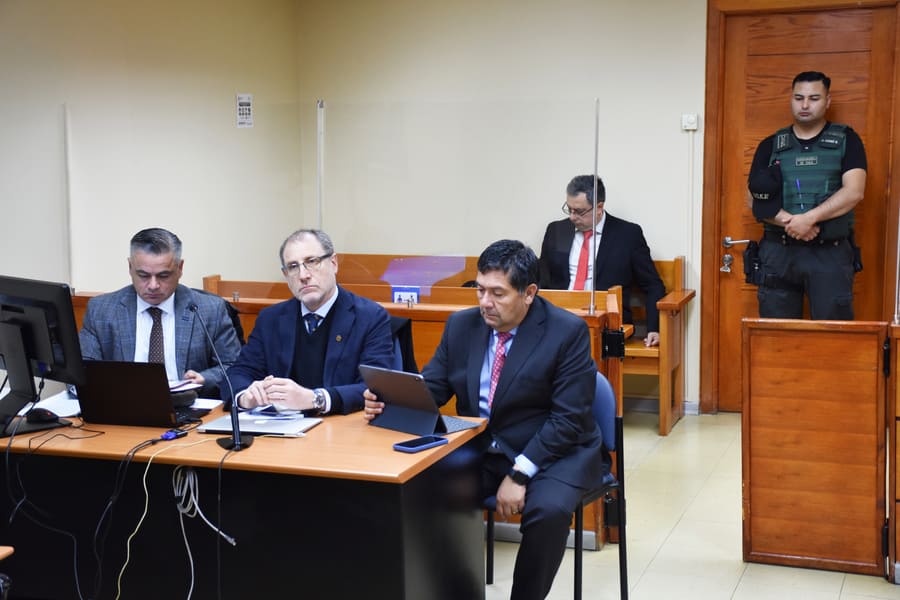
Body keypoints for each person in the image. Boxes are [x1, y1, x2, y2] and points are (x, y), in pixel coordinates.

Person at [364, 239, 605, 600]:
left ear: (529, 293)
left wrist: (519, 474)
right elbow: (433, 388)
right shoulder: (462, 325)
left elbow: (568, 419)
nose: (485, 302)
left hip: (553, 450)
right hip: (483, 447)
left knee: (548, 511)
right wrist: (390, 400)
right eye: (480, 290)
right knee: (416, 493)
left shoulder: (565, 332)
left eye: (497, 293)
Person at [227, 228, 394, 414]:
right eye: (293, 267)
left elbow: (375, 387)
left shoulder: (370, 317)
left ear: (333, 263)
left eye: (312, 262)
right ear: (286, 275)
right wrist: (246, 397)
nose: (303, 275)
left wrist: (316, 399)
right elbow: (238, 373)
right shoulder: (270, 319)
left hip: (341, 425)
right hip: (281, 427)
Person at [746, 70, 867, 320]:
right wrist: (791, 223)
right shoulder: (771, 145)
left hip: (829, 254)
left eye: (814, 98)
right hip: (779, 253)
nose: (804, 105)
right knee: (775, 334)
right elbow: (753, 198)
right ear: (791, 99)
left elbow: (854, 191)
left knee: (832, 334)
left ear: (827, 101)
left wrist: (809, 219)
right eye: (798, 98)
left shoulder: (847, 140)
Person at [79, 227, 241, 398]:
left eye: (163, 276)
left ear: (180, 268)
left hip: (188, 404)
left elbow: (234, 367)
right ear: (130, 266)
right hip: (123, 403)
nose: (153, 286)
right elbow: (82, 370)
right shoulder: (101, 310)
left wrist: (205, 379)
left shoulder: (210, 309)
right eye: (143, 275)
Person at [539, 174, 665, 346]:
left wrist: (654, 328)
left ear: (599, 207)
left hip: (605, 325)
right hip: (560, 322)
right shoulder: (556, 231)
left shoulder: (628, 235)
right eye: (569, 209)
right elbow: (541, 280)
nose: (572, 217)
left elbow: (653, 285)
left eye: (579, 211)